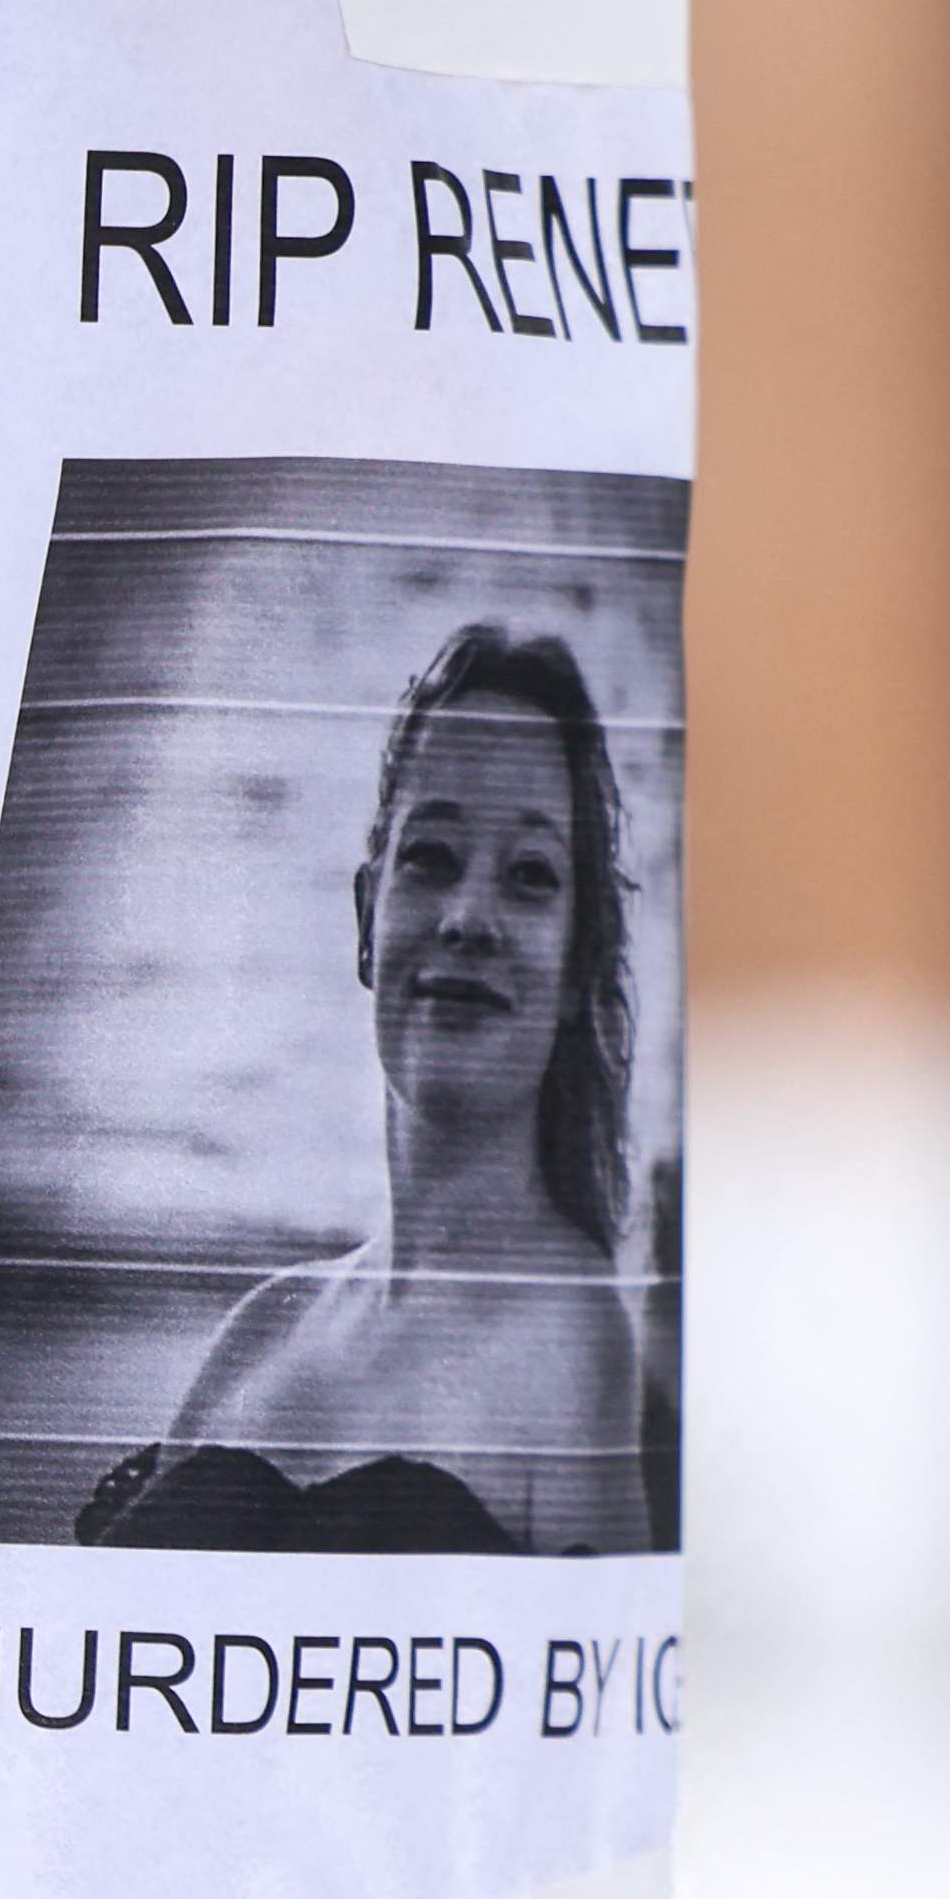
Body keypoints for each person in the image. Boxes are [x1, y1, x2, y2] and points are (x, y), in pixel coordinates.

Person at [78, 623, 661, 1558]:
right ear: (366, 920)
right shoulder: (260, 1329)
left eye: (529, 876)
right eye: (430, 856)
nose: (469, 918)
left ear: (576, 969)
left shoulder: (578, 1345)